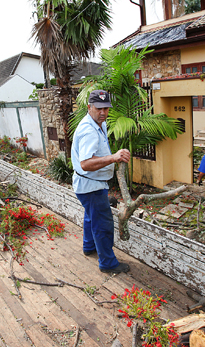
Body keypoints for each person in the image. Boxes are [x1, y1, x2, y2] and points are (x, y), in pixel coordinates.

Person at [71, 90, 131, 274]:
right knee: (102, 225)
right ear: (89, 107)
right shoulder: (89, 130)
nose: (103, 112)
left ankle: (89, 247)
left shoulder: (99, 123)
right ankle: (108, 264)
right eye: (99, 108)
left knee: (91, 217)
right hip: (91, 186)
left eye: (106, 108)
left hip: (90, 184)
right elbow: (86, 163)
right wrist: (113, 157)